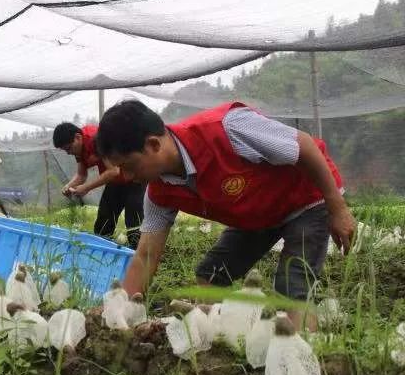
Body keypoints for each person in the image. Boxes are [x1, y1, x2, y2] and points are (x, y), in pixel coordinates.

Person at [94, 100, 355, 330]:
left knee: (292, 288)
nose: (126, 177)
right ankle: (218, 336)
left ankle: (301, 359)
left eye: (128, 166)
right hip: (258, 213)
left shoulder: (228, 128)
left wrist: (338, 208)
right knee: (209, 275)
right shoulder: (159, 192)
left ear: (152, 144)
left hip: (306, 199)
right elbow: (145, 255)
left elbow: (305, 146)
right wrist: (122, 310)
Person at [53, 122, 145, 248]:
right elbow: (81, 175)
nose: (68, 153)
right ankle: (103, 248)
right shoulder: (78, 149)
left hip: (135, 175)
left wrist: (86, 188)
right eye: (65, 150)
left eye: (68, 148)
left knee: (133, 217)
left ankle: (138, 252)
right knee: (104, 220)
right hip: (116, 180)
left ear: (78, 137)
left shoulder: (97, 139)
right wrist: (68, 186)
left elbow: (113, 171)